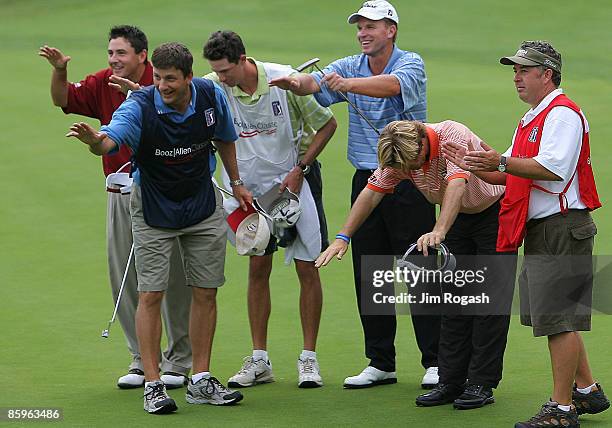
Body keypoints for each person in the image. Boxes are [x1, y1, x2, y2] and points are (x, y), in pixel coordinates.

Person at [67, 42, 249, 414]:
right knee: (151, 293)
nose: (163, 85)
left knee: (206, 291)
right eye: (159, 78)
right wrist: (94, 143)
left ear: (188, 77)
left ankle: (200, 379)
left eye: (171, 79)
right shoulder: (140, 105)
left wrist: (237, 182)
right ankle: (154, 384)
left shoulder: (210, 95)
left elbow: (225, 138)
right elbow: (110, 140)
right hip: (154, 210)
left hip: (201, 207)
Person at [270, 0, 439, 389]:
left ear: (391, 30)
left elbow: (391, 87)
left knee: (420, 270)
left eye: (371, 26)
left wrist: (346, 86)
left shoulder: (409, 63)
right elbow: (314, 83)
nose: (363, 33)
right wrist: (295, 82)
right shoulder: (348, 64)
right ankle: (381, 362)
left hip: (409, 179)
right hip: (366, 178)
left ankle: (436, 360)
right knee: (372, 272)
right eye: (359, 27)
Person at [445, 40, 609, 427]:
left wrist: (499, 159)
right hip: (544, 229)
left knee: (559, 321)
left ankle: (562, 409)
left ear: (546, 74)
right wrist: (473, 163)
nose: (516, 77)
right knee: (555, 316)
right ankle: (586, 391)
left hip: (563, 228)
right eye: (514, 70)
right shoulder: (534, 117)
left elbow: (552, 168)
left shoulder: (562, 115)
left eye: (524, 70)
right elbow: (509, 172)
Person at [317, 119, 517, 409]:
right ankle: (450, 381)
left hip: (494, 214)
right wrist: (342, 237)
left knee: (488, 304)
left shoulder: (452, 135)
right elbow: (372, 193)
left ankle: (481, 384)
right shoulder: (401, 152)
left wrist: (439, 230)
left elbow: (457, 185)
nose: (409, 172)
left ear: (422, 144)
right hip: (458, 219)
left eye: (412, 166)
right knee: (454, 303)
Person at [39, 25, 192, 389]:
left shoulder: (167, 83)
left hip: (165, 191)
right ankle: (141, 358)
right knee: (125, 276)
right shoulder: (102, 81)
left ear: (142, 55)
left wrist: (140, 95)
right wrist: (60, 70)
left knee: (172, 277)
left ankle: (178, 360)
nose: (113, 60)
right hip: (120, 191)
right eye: (110, 53)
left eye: (121, 53)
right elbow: (62, 100)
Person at [202, 30, 337, 388]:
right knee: (257, 268)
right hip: (247, 191)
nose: (222, 78)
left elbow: (327, 124)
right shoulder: (214, 87)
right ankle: (260, 361)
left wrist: (301, 169)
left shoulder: (283, 79)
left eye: (227, 71)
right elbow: (178, 97)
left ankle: (308, 359)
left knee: (308, 267)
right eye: (217, 71)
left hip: (294, 184)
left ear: (244, 59)